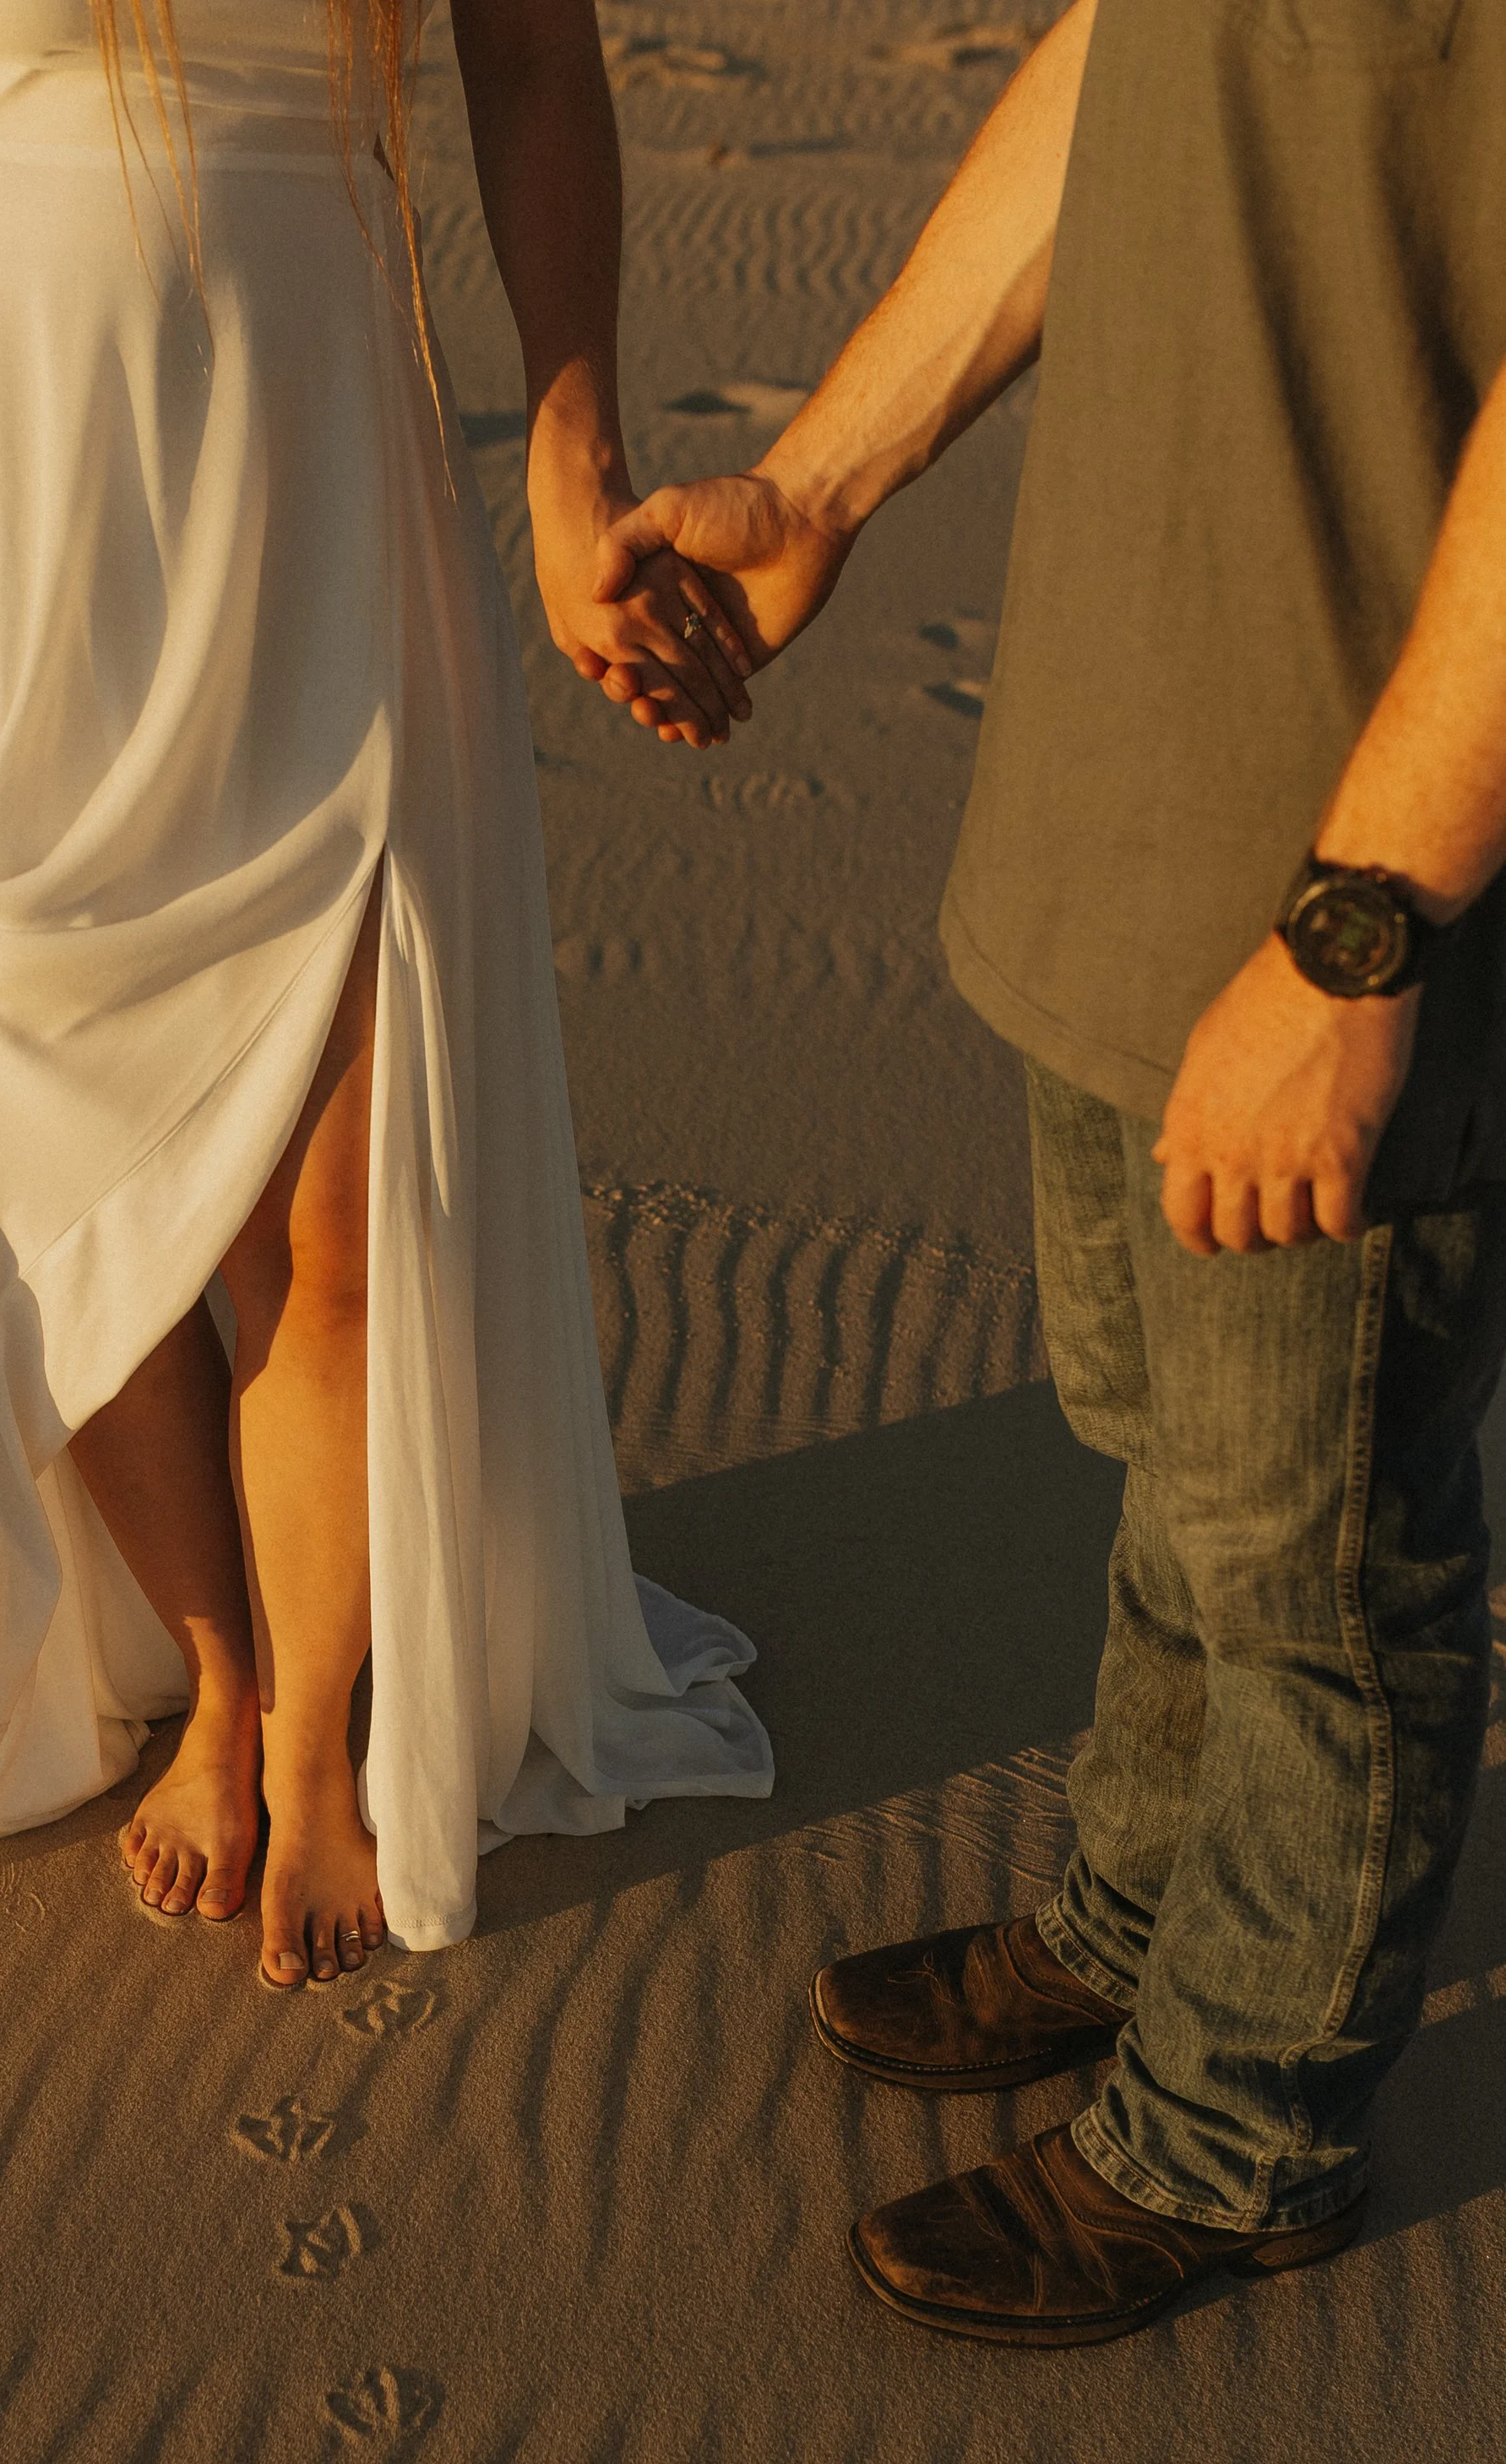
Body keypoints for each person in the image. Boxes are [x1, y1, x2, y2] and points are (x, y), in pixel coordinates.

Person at [0, 0, 773, 1991]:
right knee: (38, 1153)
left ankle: (324, 1743)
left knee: (332, 1200)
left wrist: (565, 434)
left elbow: (530, 54)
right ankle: (215, 1670)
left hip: (315, 465)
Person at [596, 0, 1506, 2339]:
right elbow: (1131, 58)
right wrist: (815, 483)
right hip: (1126, 767)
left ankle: (1244, 2121)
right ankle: (1138, 1909)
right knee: (1173, 1463)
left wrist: (1355, 926)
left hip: (1352, 838)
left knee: (1316, 1543)